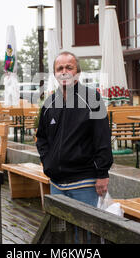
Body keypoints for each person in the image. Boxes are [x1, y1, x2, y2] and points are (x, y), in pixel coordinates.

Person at [36, 51, 113, 207]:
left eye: (69, 68)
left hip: (84, 183)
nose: (64, 72)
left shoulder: (92, 99)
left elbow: (103, 139)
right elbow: (41, 138)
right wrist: (48, 162)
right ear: (55, 74)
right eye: (60, 68)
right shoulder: (49, 103)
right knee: (59, 230)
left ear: (78, 72)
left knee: (84, 230)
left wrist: (102, 174)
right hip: (56, 184)